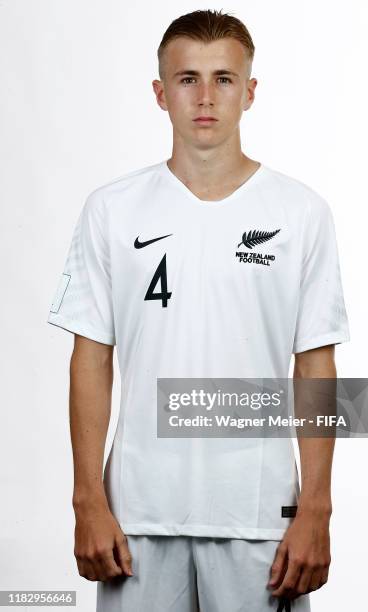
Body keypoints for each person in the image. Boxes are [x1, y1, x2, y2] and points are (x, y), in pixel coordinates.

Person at [47, 9, 350, 612]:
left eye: (224, 79)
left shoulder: (301, 212)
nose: (206, 97)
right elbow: (90, 360)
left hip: (261, 517)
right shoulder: (111, 209)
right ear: (160, 93)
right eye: (187, 79)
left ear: (250, 91)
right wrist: (88, 501)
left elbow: (314, 367)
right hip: (136, 517)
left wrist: (316, 507)